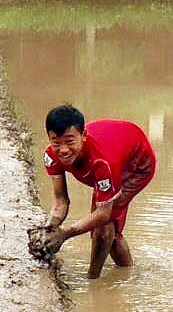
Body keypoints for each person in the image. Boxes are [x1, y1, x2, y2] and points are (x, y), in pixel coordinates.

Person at [30, 104, 156, 279]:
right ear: (49, 139)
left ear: (84, 136)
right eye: (56, 142)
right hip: (113, 158)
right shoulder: (51, 156)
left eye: (70, 141)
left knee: (104, 226)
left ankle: (93, 279)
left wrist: (65, 234)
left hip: (136, 165)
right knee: (106, 229)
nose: (63, 150)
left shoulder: (103, 163)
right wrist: (50, 227)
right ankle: (127, 273)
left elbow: (103, 214)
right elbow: (61, 201)